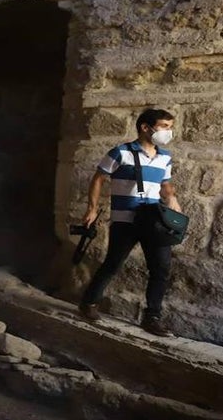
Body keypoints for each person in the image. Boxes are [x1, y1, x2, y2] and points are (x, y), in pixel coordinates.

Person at [77, 108, 182, 336]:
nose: (169, 132)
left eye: (170, 127)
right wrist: (92, 209)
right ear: (146, 127)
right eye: (165, 126)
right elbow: (99, 178)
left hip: (154, 220)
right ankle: (89, 303)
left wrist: (172, 197)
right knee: (113, 263)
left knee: (161, 268)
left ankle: (152, 317)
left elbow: (165, 183)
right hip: (125, 220)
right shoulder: (120, 152)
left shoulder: (165, 157)